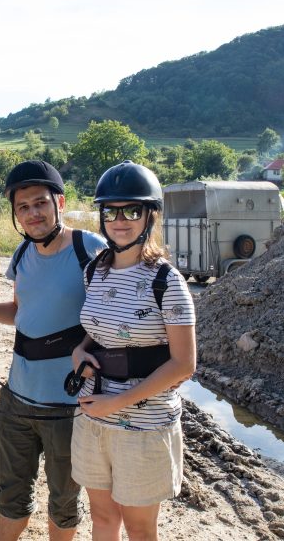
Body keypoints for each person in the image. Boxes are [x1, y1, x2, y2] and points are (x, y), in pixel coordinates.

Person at [0, 160, 106, 541]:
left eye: (40, 203)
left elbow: (110, 320)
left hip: (67, 408)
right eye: (23, 207)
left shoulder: (91, 250)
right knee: (10, 500)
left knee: (63, 504)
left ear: (59, 201)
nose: (32, 213)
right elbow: (20, 313)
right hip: (16, 401)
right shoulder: (23, 254)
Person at [71, 161, 196, 541]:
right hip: (93, 417)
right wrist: (80, 351)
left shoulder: (166, 281)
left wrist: (118, 402)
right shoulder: (95, 270)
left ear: (150, 216)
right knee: (102, 519)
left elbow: (184, 364)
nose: (120, 220)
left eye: (132, 210)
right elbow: (99, 329)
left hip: (144, 426)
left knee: (140, 529)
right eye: (111, 211)